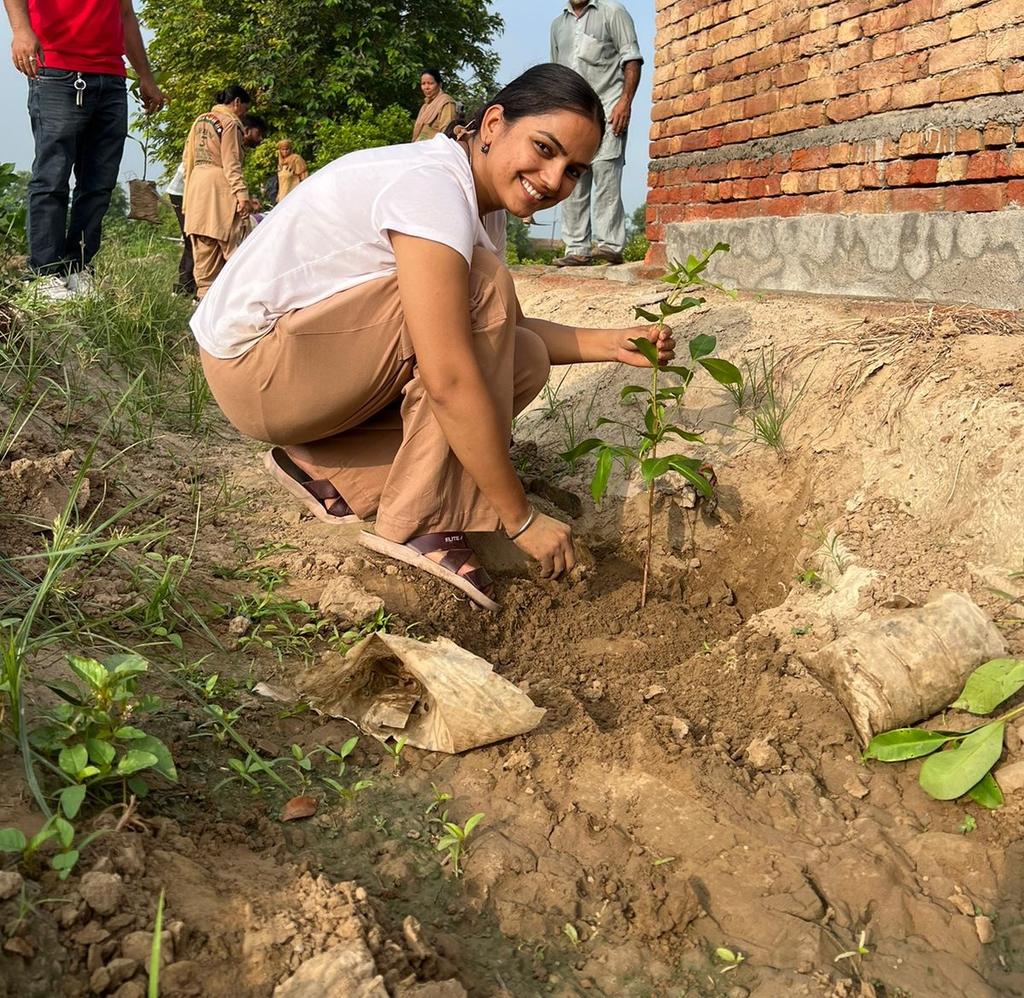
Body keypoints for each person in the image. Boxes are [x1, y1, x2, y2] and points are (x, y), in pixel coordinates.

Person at [190, 64, 675, 611]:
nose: (552, 178)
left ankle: (327, 472)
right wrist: (520, 518)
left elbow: (506, 331)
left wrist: (613, 344)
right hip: (256, 368)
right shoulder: (434, 187)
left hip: (296, 370)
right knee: (482, 290)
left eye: (573, 171)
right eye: (544, 148)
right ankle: (420, 521)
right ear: (493, 124)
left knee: (525, 358)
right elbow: (449, 376)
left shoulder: (479, 204)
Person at [4, 0, 165, 299]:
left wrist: (145, 76)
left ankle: (77, 267)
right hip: (57, 69)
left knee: (99, 183)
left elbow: (125, 13)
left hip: (111, 75)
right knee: (52, 176)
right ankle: (43, 273)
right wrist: (21, 30)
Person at [550, 0, 642, 267]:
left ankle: (609, 245)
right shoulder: (558, 25)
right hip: (572, 115)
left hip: (609, 108)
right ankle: (577, 248)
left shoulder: (613, 12)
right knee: (572, 176)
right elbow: (556, 73)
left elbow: (632, 59)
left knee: (606, 172)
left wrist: (625, 102)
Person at [182, 85, 253, 300]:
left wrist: (189, 194)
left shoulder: (199, 120)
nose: (244, 115)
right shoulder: (230, 123)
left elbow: (187, 160)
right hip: (219, 189)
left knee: (204, 254)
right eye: (245, 109)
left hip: (196, 188)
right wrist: (242, 195)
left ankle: (204, 301)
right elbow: (231, 163)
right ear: (237, 102)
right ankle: (236, 301)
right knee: (234, 250)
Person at [164, 160, 196, 297]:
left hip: (195, 191)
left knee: (193, 240)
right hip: (182, 192)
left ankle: (187, 285)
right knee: (192, 239)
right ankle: (185, 285)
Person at [411, 68, 458, 142]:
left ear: (439, 85)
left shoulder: (446, 102)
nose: (426, 87)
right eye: (423, 84)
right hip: (418, 145)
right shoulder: (425, 106)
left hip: (435, 147)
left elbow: (447, 132)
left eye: (430, 83)